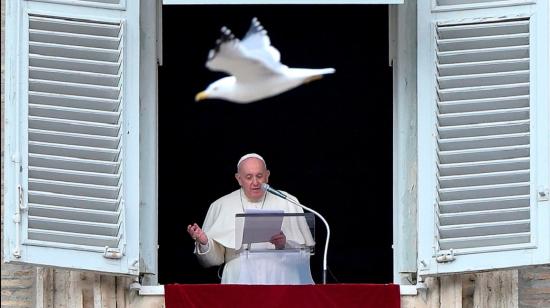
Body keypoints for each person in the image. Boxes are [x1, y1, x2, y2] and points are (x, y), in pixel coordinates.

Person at [187, 153, 315, 284]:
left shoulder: (288, 201)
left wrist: (284, 245)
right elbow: (213, 261)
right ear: (239, 179)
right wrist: (205, 243)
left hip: (281, 279)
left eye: (259, 176)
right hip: (239, 280)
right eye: (249, 177)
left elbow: (304, 258)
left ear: (267, 176)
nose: (255, 182)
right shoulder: (220, 205)